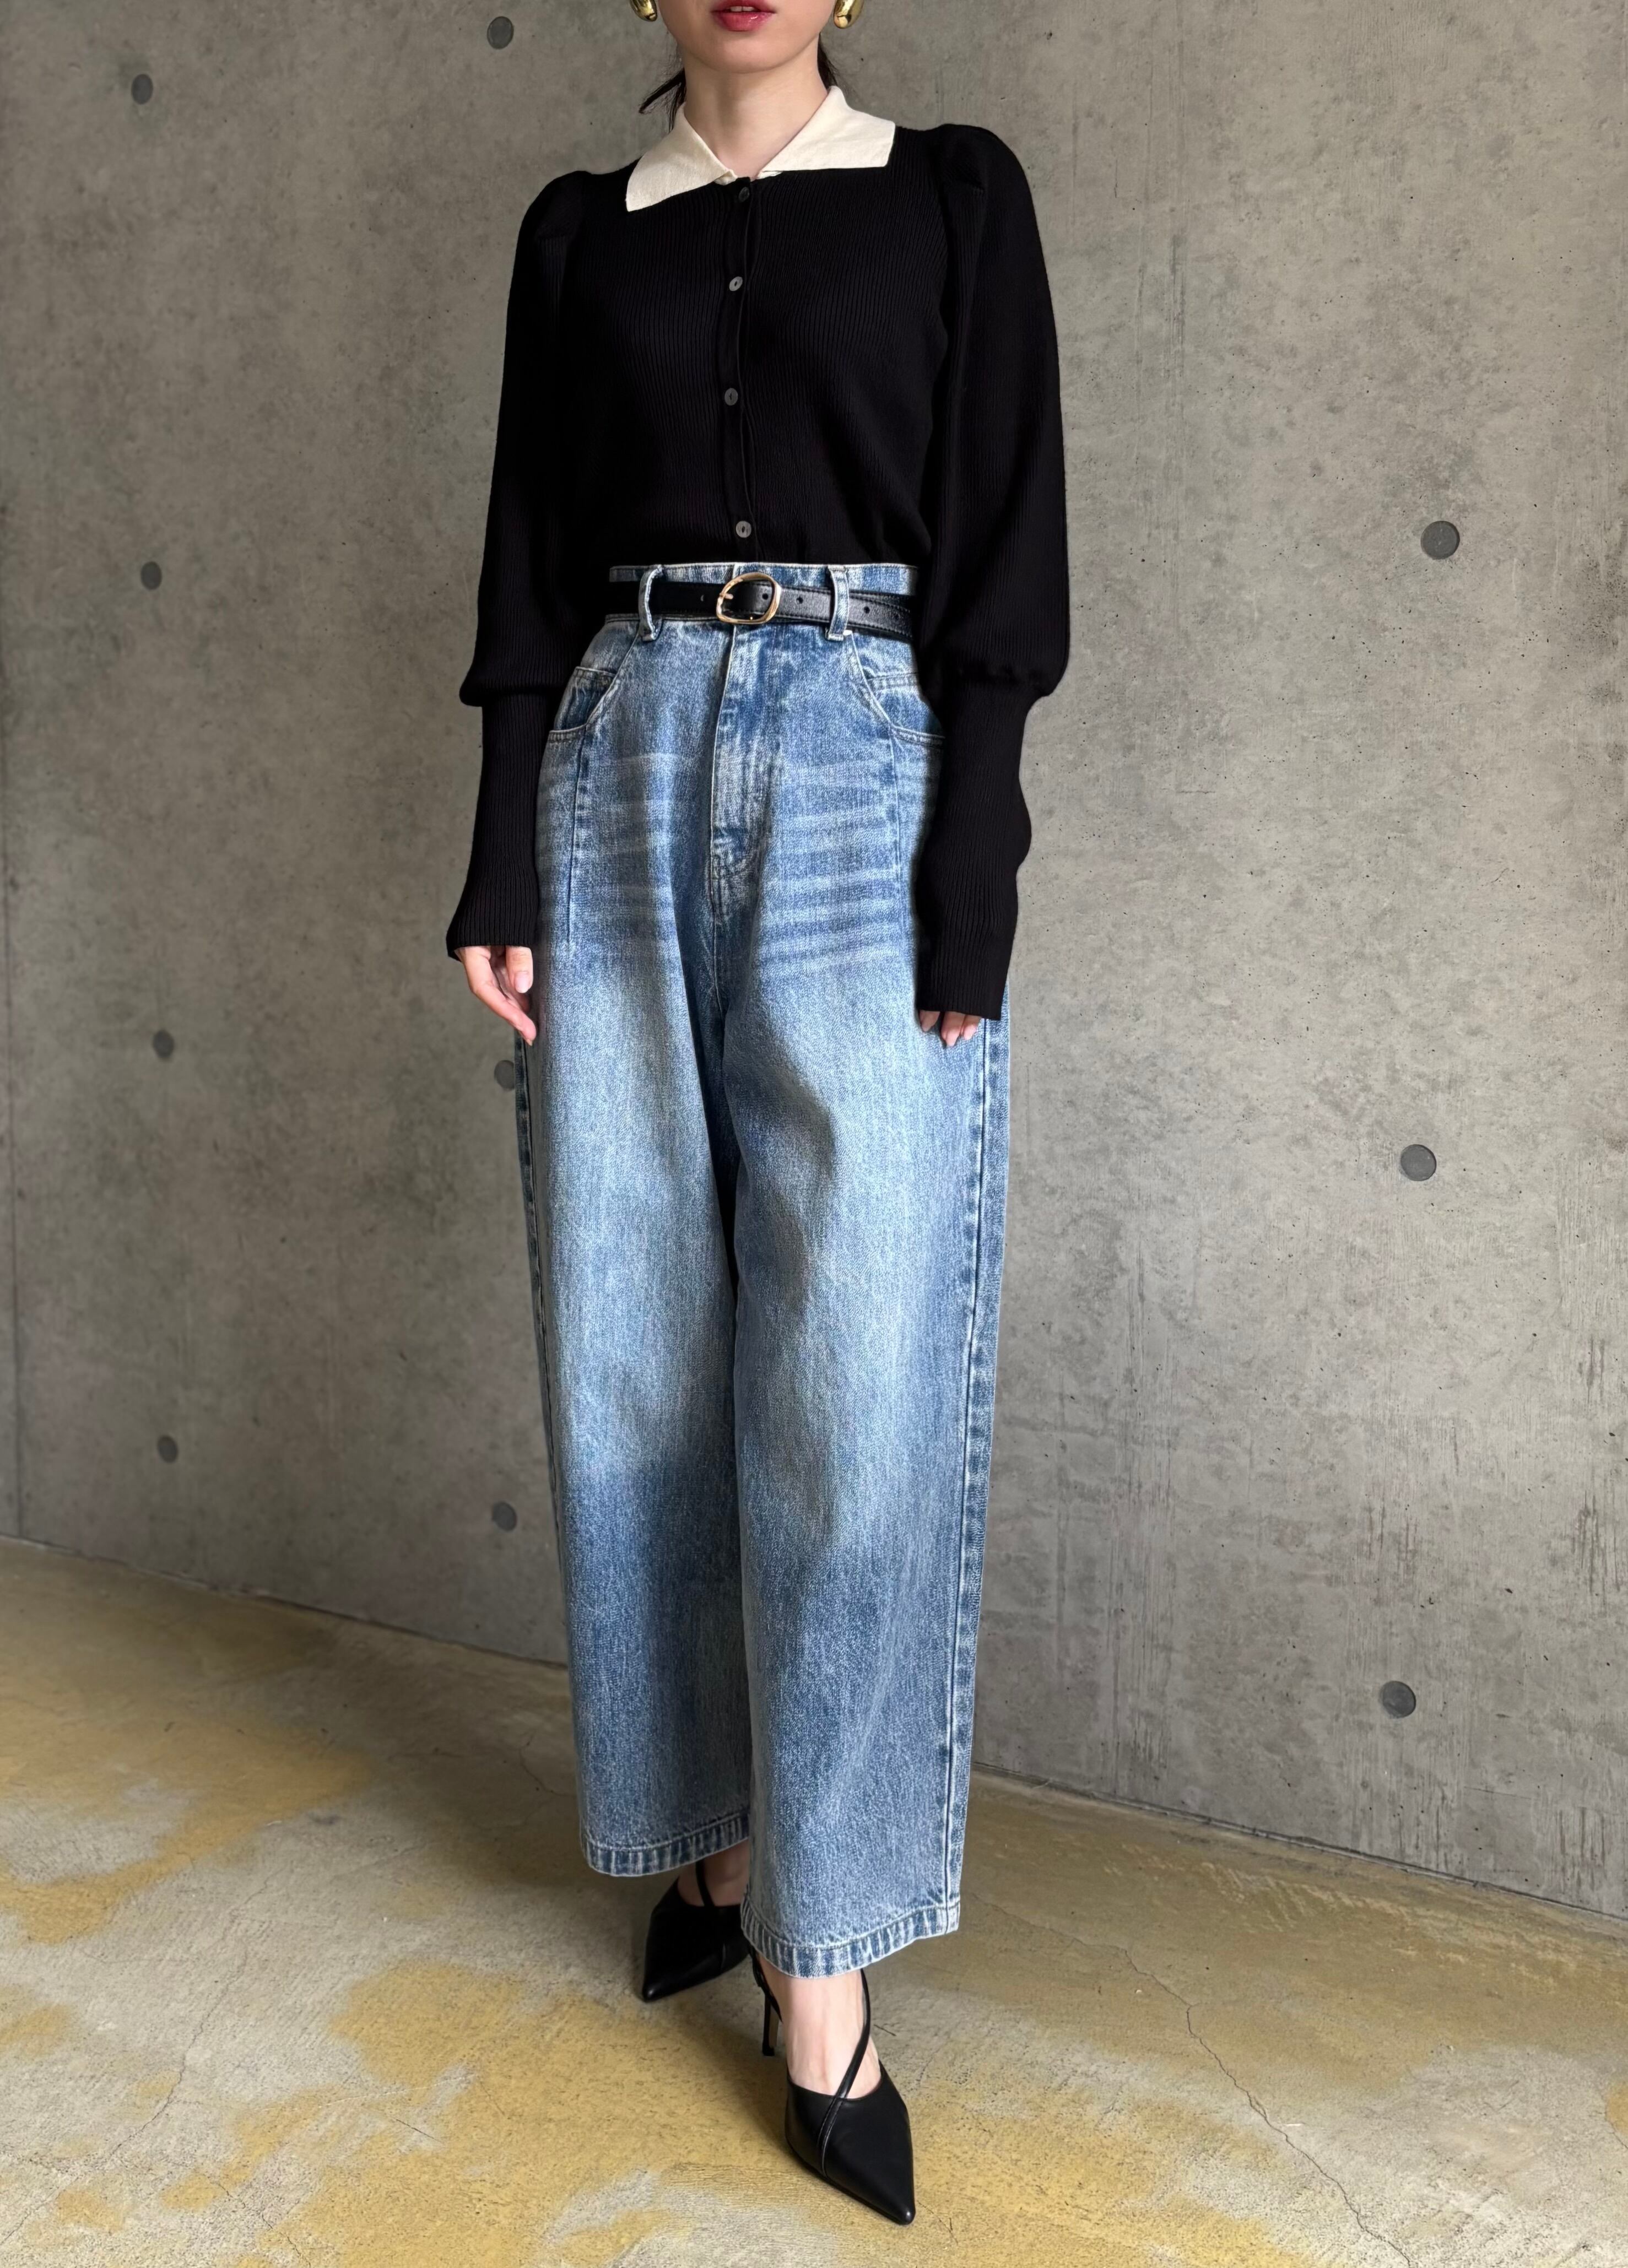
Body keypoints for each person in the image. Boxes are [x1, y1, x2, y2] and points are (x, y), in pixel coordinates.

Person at [446, 0, 1068, 2224]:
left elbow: (1004, 528)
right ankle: (703, 1840)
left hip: (858, 765)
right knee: (635, 1342)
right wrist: (500, 855)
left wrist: (972, 865)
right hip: (611, 758)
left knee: (850, 1373)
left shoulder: (948, 197)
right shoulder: (577, 235)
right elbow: (529, 555)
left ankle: (823, 1957)